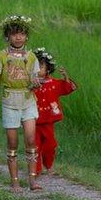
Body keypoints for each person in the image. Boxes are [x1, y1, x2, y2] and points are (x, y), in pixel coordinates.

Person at [0, 15, 42, 192]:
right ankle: (15, 181)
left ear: (26, 36)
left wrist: (36, 83)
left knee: (31, 138)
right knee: (12, 142)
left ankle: (33, 181)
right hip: (9, 101)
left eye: (21, 34)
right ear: (7, 36)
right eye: (14, 34)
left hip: (27, 101)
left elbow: (35, 79)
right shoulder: (1, 56)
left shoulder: (32, 57)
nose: (18, 37)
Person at [33, 47, 77, 175]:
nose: (37, 69)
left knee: (50, 145)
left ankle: (49, 165)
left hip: (48, 121)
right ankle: (35, 170)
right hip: (32, 120)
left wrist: (66, 77)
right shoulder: (29, 84)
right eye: (33, 66)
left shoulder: (53, 83)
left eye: (40, 66)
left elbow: (67, 88)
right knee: (34, 145)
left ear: (48, 68)